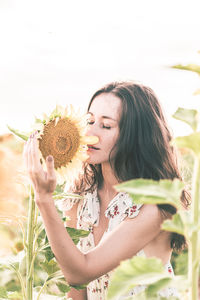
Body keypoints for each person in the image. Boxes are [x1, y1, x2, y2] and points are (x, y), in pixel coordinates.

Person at [24, 81, 189, 300]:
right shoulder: (81, 193)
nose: (89, 133)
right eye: (90, 121)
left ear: (135, 134)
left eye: (106, 125)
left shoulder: (154, 205)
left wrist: (44, 199)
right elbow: (77, 293)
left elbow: (80, 273)